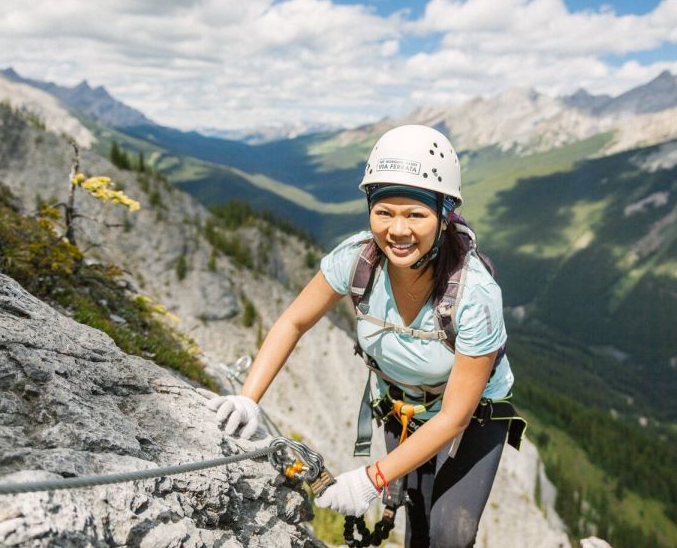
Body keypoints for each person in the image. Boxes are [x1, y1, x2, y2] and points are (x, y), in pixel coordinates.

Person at [207, 124, 520, 548]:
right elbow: (293, 322)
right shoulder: (357, 261)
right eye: (384, 211)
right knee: (418, 515)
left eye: (416, 214)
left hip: (473, 413)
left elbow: (454, 416)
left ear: (445, 216)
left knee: (451, 532)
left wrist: (371, 479)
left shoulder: (474, 295)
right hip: (401, 405)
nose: (398, 229)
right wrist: (249, 397)